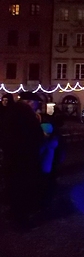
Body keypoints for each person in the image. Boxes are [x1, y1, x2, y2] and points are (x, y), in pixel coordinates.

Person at [2, 94, 45, 230]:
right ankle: (21, 220)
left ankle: (14, 213)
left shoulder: (10, 115)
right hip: (25, 159)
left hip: (12, 158)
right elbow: (37, 137)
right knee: (23, 188)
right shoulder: (28, 118)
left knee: (13, 186)